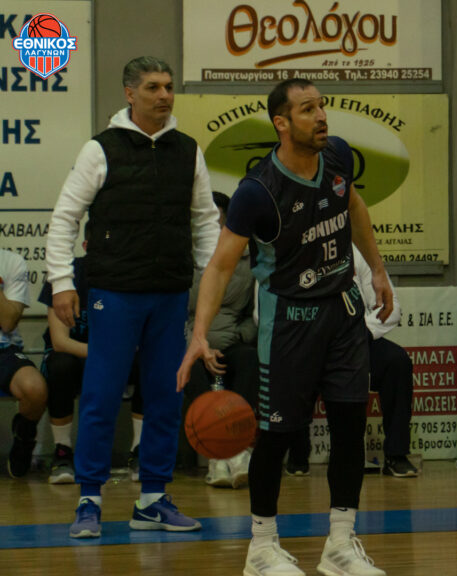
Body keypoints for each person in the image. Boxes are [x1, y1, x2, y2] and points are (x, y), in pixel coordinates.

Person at [177, 78, 392, 576]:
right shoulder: (258, 192)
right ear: (281, 123)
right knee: (276, 436)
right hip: (289, 322)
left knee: (349, 427)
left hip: (343, 312)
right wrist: (199, 334)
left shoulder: (337, 156)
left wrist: (378, 270)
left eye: (322, 106)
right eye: (308, 109)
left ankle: (340, 545)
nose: (321, 117)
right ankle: (261, 548)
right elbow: (220, 267)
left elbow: (354, 206)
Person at [46, 56, 220, 538]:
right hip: (115, 292)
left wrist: (210, 282)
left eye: (168, 87)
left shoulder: (188, 151)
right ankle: (89, 500)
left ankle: (152, 500)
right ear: (129, 94)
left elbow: (206, 221)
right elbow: (64, 218)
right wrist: (62, 282)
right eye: (152, 88)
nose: (163, 95)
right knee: (101, 396)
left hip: (170, 293)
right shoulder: (100, 149)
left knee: (165, 394)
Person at [287, 245, 417, 479]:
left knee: (397, 362)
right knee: (292, 369)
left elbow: (391, 308)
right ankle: (298, 455)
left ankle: (396, 455)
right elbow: (264, 313)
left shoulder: (360, 254)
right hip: (308, 341)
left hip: (355, 339)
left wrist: (356, 333)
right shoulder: (293, 249)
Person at [38, 251, 146, 485]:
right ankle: (62, 452)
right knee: (60, 366)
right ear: (87, 245)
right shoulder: (65, 275)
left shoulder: (128, 274)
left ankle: (140, 451)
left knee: (146, 362)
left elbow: (137, 337)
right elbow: (60, 342)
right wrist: (105, 354)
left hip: (114, 355)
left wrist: (115, 354)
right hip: (75, 356)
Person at [183, 191, 258, 489]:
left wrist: (236, 335)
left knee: (250, 359)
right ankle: (219, 455)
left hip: (231, 339)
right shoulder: (183, 258)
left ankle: (236, 451)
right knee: (191, 370)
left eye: (219, 221)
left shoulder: (249, 260)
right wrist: (198, 345)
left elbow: (253, 315)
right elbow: (174, 314)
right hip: (191, 342)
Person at [0, 249, 48, 479]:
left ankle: (24, 436)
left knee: (35, 389)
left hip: (3, 349)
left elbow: (8, 322)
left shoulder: (11, 262)